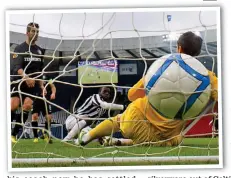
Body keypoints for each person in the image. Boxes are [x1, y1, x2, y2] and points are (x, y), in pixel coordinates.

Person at [76, 31, 218, 146]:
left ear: (179, 48)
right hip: (164, 133)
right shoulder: (208, 77)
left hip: (136, 119)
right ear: (198, 54)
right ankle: (114, 141)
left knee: (119, 120)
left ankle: (89, 135)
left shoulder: (162, 66)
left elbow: (132, 95)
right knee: (175, 140)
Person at [10, 22, 44, 143]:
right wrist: (26, 77)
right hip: (18, 81)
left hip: (32, 84)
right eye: (33, 31)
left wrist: (42, 87)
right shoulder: (19, 49)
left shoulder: (40, 51)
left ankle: (13, 135)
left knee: (28, 105)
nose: (35, 34)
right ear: (27, 33)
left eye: (37, 32)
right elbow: (17, 67)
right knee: (13, 105)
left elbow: (40, 71)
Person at [31, 75, 56, 143]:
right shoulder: (35, 74)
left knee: (49, 117)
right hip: (36, 98)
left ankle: (45, 134)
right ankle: (36, 137)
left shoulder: (48, 77)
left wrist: (53, 93)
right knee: (35, 116)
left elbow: (52, 86)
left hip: (46, 99)